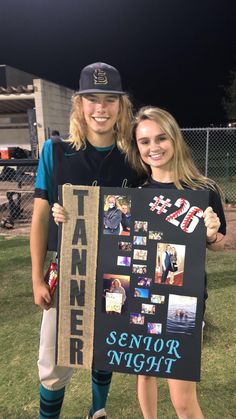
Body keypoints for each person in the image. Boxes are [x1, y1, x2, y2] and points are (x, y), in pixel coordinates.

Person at [30, 62, 141, 419]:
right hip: (69, 272)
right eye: (92, 98)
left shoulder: (133, 157)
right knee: (53, 359)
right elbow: (40, 215)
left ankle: (98, 409)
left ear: (122, 106)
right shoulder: (56, 150)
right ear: (79, 103)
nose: (101, 108)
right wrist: (35, 277)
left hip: (114, 274)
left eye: (110, 99)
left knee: (103, 348)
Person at [126, 106, 226, 419]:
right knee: (145, 373)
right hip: (142, 297)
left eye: (161, 138)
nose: (153, 147)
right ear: (137, 147)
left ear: (175, 139)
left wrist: (211, 234)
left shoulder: (203, 189)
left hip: (183, 303)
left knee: (182, 398)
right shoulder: (134, 192)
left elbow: (219, 243)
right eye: (144, 141)